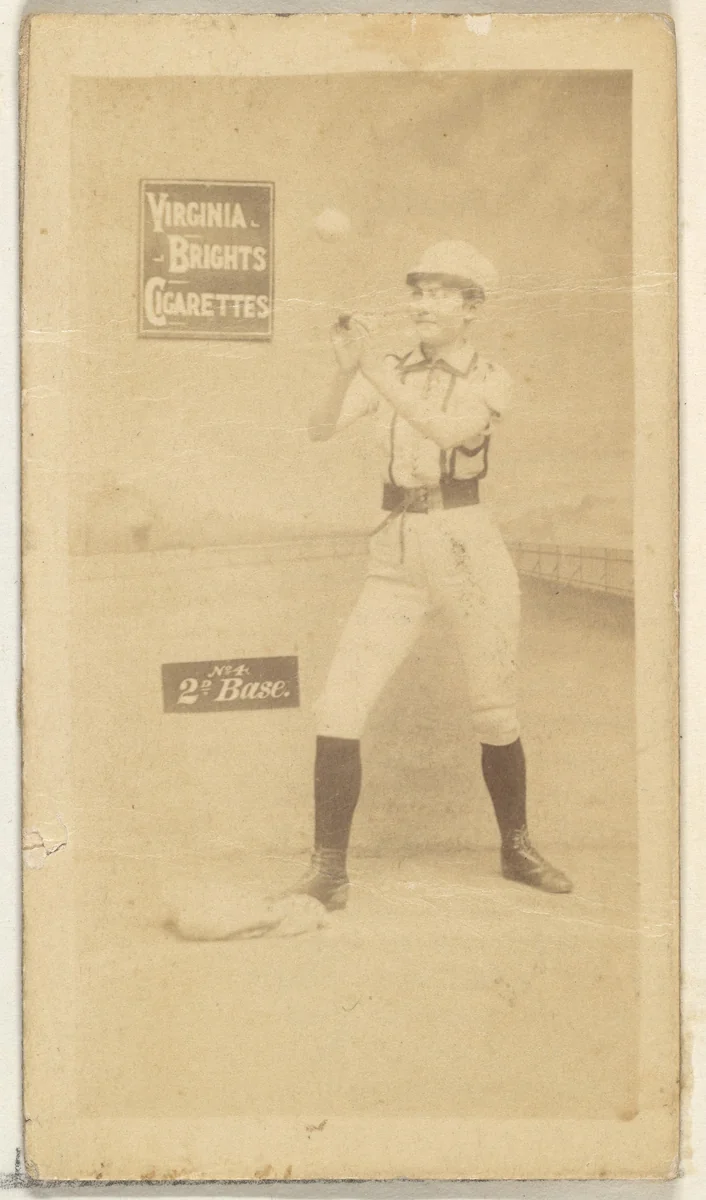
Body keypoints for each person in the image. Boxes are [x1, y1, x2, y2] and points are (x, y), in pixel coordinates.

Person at [287, 241, 572, 910]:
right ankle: (328, 871)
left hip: (468, 546)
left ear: (473, 308)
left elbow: (446, 432)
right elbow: (317, 429)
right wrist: (340, 373)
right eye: (419, 290)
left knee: (493, 707)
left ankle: (517, 846)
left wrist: (373, 374)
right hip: (396, 549)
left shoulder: (491, 376)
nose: (424, 302)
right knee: (338, 705)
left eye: (442, 292)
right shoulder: (388, 368)